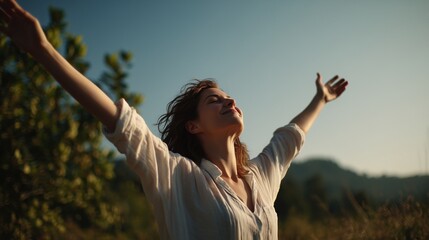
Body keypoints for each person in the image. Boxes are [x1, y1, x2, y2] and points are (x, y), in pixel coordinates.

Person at [0, 1, 348, 239]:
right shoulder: (179, 177)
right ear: (193, 126)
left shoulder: (260, 177)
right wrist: (43, 51)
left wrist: (320, 99)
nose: (229, 100)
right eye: (214, 100)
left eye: (229, 96)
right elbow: (119, 119)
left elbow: (290, 137)